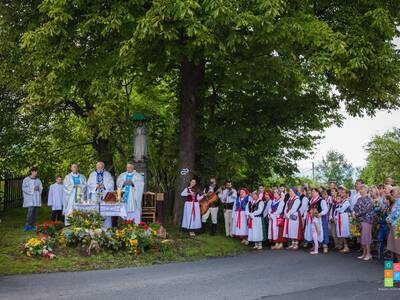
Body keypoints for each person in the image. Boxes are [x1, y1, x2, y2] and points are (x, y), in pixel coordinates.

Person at [87, 161, 115, 228]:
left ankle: (107, 228)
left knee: (106, 212)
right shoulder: (92, 174)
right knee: (94, 211)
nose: (100, 168)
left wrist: (104, 186)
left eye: (101, 166)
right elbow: (88, 184)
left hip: (105, 195)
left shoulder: (107, 174)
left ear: (103, 167)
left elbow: (111, 184)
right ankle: (94, 227)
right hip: (95, 195)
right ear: (96, 167)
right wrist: (95, 186)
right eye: (98, 166)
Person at [353, 185, 374, 261]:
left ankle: (369, 254)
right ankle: (364, 253)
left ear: (366, 190)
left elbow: (366, 210)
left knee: (366, 237)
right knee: (362, 237)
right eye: (360, 189)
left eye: (362, 189)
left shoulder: (369, 199)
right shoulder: (359, 199)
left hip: (367, 220)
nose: (360, 190)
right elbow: (355, 207)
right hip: (360, 220)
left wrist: (357, 214)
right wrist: (353, 212)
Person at [304, 188, 328, 255]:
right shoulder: (310, 200)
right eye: (311, 192)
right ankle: (315, 245)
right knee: (313, 232)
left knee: (322, 231)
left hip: (319, 218)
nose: (312, 193)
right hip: (311, 218)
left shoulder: (321, 200)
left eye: (314, 192)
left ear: (317, 192)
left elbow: (325, 209)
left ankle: (325, 246)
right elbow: (307, 209)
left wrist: (320, 214)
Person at [22, 167, 43, 231]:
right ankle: (28, 225)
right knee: (30, 212)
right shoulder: (26, 179)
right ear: (32, 172)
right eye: (35, 171)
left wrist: (38, 189)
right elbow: (24, 188)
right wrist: (32, 189)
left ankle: (33, 225)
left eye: (36, 172)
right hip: (30, 199)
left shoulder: (38, 180)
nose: (36, 173)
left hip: (36, 198)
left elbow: (41, 187)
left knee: (35, 212)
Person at [334, 189, 351, 253]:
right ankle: (345, 246)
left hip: (345, 218)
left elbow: (341, 210)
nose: (341, 193)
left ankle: (347, 247)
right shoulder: (341, 202)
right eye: (341, 192)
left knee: (345, 232)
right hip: (340, 218)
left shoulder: (347, 201)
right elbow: (337, 210)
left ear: (346, 194)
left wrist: (337, 209)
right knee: (342, 232)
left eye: (343, 192)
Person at [386, 187, 400, 262]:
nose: (392, 193)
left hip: (397, 227)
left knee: (397, 246)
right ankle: (396, 266)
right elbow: (392, 213)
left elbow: (396, 214)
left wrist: (388, 219)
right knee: (394, 245)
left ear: (398, 192)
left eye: (393, 191)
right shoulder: (396, 201)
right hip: (394, 226)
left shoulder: (399, 202)